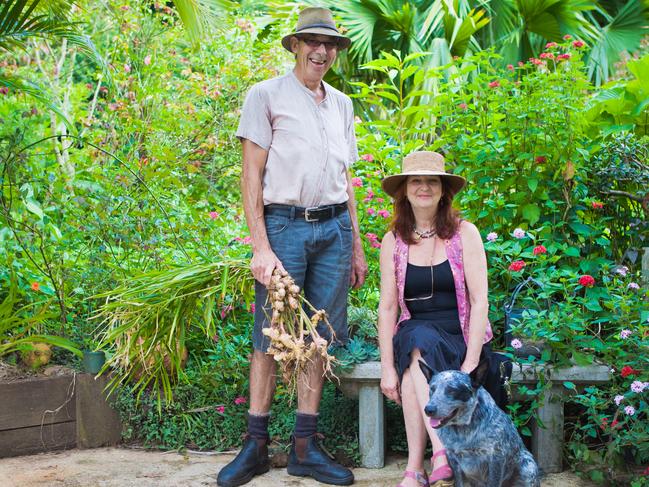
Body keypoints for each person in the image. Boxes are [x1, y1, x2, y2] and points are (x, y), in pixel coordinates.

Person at [217, 7, 367, 487]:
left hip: (335, 229)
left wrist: (357, 246)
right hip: (284, 227)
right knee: (270, 334)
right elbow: (251, 176)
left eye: (330, 45)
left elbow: (347, 181)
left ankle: (305, 446)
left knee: (317, 337)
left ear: (336, 52)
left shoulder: (342, 104)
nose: (321, 52)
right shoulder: (265, 96)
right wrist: (260, 247)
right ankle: (255, 445)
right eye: (312, 42)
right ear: (296, 45)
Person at [377, 151, 504, 487]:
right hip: (416, 333)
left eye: (431, 181)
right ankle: (442, 454)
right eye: (415, 180)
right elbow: (388, 308)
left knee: (412, 371)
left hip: (461, 337)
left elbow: (479, 302)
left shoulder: (466, 234)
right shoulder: (394, 241)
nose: (423, 187)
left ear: (443, 190)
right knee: (416, 342)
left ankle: (416, 468)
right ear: (404, 190)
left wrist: (471, 362)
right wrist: (386, 367)